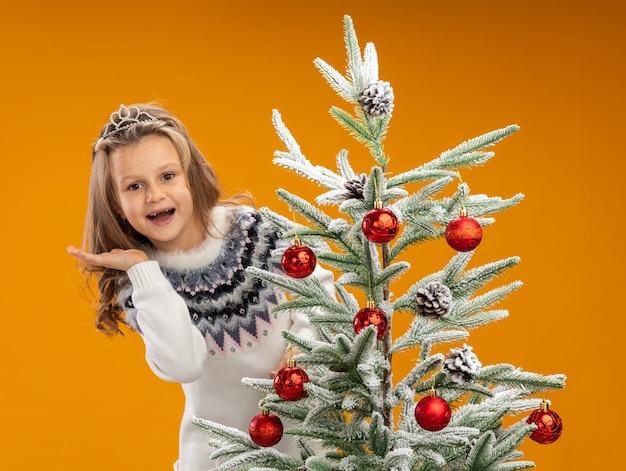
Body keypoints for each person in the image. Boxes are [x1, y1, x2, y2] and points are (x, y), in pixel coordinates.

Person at [68, 103, 334, 471]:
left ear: (190, 175)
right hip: (216, 460)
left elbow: (319, 288)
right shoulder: (142, 284)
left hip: (310, 449)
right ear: (115, 203)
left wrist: (303, 351)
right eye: (134, 186)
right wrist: (146, 275)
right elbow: (184, 364)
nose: (154, 196)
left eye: (167, 176)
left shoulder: (248, 230)